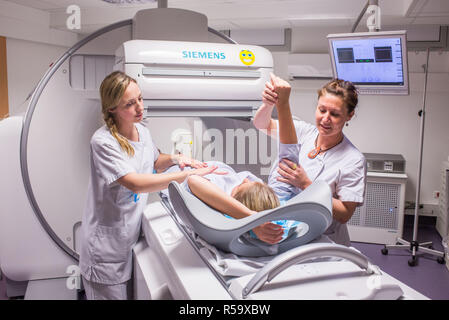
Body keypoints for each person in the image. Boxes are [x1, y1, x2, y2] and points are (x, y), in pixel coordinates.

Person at [78, 71, 224, 300]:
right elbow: (135, 183)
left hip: (129, 238)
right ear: (112, 109)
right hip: (106, 247)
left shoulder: (142, 132)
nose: (139, 108)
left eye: (140, 99)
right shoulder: (103, 141)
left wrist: (177, 159)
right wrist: (188, 176)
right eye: (130, 103)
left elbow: (154, 161)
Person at [179, 74, 302, 245]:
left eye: (242, 184)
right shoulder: (271, 199)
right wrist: (282, 104)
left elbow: (193, 180)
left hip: (181, 169)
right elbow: (289, 155)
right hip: (198, 164)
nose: (245, 177)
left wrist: (252, 220)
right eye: (253, 181)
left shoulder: (219, 196)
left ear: (234, 199)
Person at [253, 74, 366, 247]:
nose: (326, 118)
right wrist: (269, 104)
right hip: (286, 226)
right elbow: (262, 124)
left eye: (334, 114)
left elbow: (344, 214)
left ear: (349, 115)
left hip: (323, 238)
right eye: (322, 110)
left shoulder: (353, 159)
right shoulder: (302, 131)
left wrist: (306, 184)